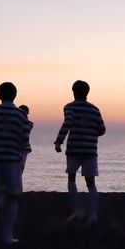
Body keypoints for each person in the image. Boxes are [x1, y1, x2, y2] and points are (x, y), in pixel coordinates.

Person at [0, 82, 30, 244]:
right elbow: (24, 140)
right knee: (13, 197)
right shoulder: (20, 115)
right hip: (11, 160)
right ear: (15, 95)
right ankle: (7, 235)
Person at [54, 80, 106, 223]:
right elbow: (102, 129)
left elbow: (67, 123)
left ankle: (77, 210)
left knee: (71, 178)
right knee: (91, 182)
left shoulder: (69, 107)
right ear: (87, 92)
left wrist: (59, 141)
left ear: (73, 91)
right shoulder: (95, 109)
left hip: (74, 149)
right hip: (90, 150)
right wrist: (90, 133)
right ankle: (93, 215)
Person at [18, 105, 33, 173]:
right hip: (23, 148)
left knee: (20, 168)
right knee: (20, 168)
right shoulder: (28, 124)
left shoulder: (28, 124)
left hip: (22, 148)